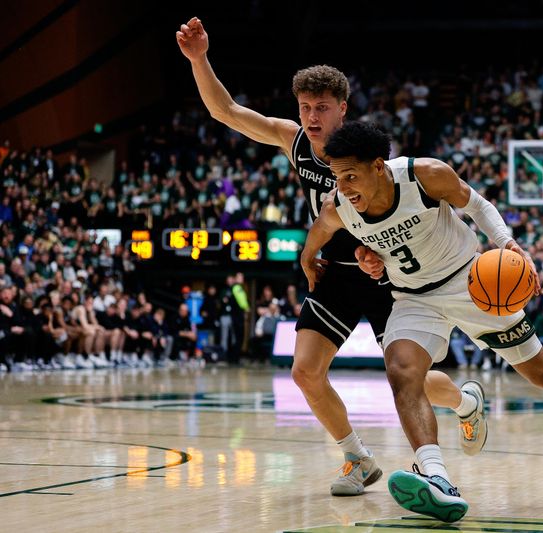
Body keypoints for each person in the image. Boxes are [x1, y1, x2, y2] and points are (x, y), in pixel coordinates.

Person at [176, 17, 480, 497]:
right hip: (333, 274)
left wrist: (375, 253)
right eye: (305, 107)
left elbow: (396, 218)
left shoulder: (368, 152)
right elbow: (227, 111)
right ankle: (357, 458)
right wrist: (198, 59)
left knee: (409, 376)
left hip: (385, 274)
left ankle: (463, 402)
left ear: (342, 109)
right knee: (304, 371)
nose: (312, 116)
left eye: (321, 107)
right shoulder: (293, 140)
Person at [300, 121, 543, 522]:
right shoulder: (338, 206)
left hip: (473, 283)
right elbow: (319, 232)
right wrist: (311, 258)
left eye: (351, 175)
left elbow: (476, 204)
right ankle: (437, 477)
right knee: (401, 371)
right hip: (413, 297)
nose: (343, 186)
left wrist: (508, 244)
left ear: (379, 166)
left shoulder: (424, 175)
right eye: (338, 177)